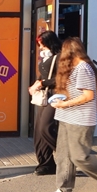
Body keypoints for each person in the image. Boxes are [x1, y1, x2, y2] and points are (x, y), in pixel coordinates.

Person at [46, 37, 97, 192]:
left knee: (79, 156)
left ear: (69, 51)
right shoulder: (75, 68)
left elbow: (88, 96)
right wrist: (62, 101)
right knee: (64, 156)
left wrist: (64, 104)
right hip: (67, 116)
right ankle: (64, 190)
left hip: (80, 119)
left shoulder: (83, 68)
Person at [28, 30, 62, 175]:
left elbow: (61, 78)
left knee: (45, 127)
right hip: (45, 96)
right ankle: (46, 164)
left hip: (56, 95)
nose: (41, 48)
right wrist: (36, 84)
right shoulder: (47, 58)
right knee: (38, 132)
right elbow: (43, 75)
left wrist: (42, 83)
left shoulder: (61, 57)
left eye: (42, 45)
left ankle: (69, 155)